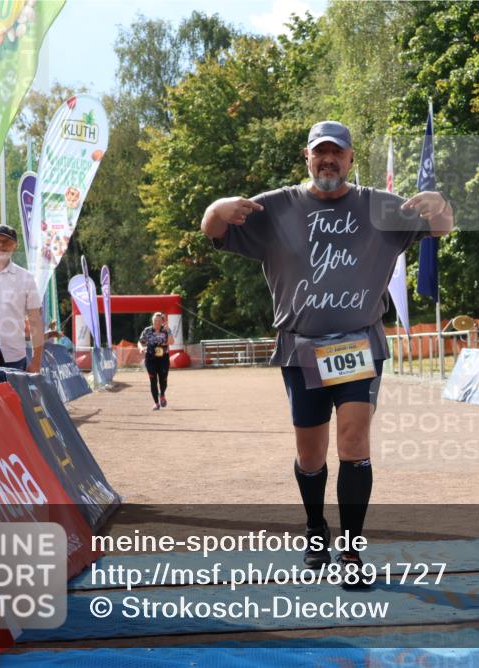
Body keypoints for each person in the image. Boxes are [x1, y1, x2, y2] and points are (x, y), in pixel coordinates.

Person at [201, 120, 453, 585]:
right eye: (320, 153)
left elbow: (442, 227)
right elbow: (212, 230)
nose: (328, 160)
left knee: (354, 442)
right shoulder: (275, 208)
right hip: (301, 349)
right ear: (307, 157)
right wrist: (218, 206)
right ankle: (316, 528)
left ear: (352, 159)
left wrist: (439, 204)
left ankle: (352, 554)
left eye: (337, 153)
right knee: (311, 455)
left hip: (359, 343)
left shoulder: (379, 206)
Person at [0, 225, 44, 372]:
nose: (1, 245)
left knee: (14, 396)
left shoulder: (26, 278)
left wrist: (36, 361)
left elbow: (35, 321)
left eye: (7, 242)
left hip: (14, 357)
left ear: (15, 246)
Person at [138, 312, 173, 410]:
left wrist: (168, 330)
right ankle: (156, 403)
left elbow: (171, 342)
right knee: (153, 380)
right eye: (155, 320)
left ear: (162, 321)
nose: (157, 322)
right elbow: (140, 342)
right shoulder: (147, 330)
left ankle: (162, 394)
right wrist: (141, 348)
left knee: (163, 380)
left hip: (163, 359)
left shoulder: (166, 330)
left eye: (159, 321)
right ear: (152, 321)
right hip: (150, 358)